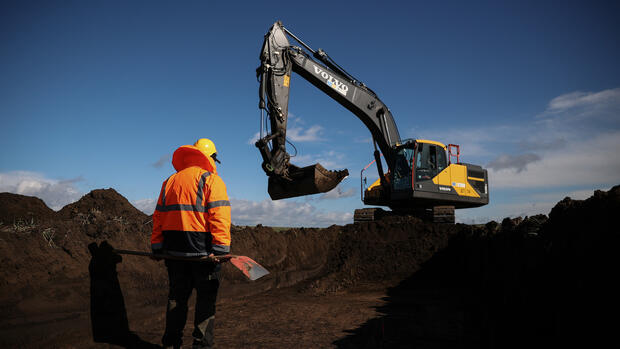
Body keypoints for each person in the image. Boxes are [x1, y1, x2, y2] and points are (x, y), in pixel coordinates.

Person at [151, 138, 231, 349]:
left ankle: (170, 344)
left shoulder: (169, 182)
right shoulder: (211, 180)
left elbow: (158, 216)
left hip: (174, 253)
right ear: (211, 157)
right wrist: (221, 250)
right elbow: (219, 217)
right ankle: (201, 345)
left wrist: (157, 245)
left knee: (177, 298)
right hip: (204, 255)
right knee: (205, 302)